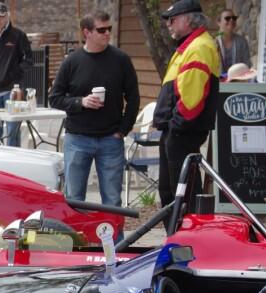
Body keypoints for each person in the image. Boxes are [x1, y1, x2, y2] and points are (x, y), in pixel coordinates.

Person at [50, 10, 139, 208]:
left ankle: (116, 240)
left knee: (112, 200)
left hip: (110, 139)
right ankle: (78, 239)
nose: (107, 33)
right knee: (74, 198)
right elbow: (54, 98)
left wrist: (123, 129)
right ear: (86, 33)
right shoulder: (71, 62)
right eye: (101, 30)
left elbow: (133, 98)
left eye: (109, 29)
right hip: (77, 139)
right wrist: (81, 102)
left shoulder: (121, 59)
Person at [154, 0, 220, 220]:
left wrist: (176, 128)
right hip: (177, 131)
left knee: (182, 194)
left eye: (173, 20)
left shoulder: (198, 47)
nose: (169, 25)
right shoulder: (191, 46)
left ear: (189, 20)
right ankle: (178, 240)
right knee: (173, 193)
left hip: (182, 132)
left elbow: (191, 102)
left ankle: (187, 243)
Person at [0, 2, 33, 147]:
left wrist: (14, 73)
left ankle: (14, 162)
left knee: (12, 133)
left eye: (0, 17)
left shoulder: (18, 35)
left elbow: (29, 59)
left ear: (6, 16)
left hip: (12, 92)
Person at [215, 9, 250, 75]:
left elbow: (247, 65)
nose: (231, 20)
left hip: (238, 83)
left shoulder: (242, 42)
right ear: (219, 22)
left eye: (234, 18)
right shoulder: (213, 42)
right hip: (217, 82)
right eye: (227, 18)